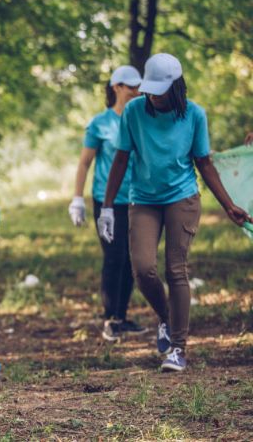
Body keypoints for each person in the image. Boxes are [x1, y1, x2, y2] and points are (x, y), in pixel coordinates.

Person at [97, 53, 251, 372]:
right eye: (149, 89)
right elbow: (121, 159)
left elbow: (204, 163)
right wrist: (108, 208)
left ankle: (178, 348)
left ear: (175, 87)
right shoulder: (134, 112)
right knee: (143, 269)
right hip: (144, 199)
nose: (153, 95)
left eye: (159, 90)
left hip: (182, 197)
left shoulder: (194, 115)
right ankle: (167, 319)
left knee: (176, 270)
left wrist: (229, 206)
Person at [69, 66, 147, 341]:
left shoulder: (141, 119)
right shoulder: (100, 124)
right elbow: (84, 163)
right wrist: (77, 198)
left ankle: (122, 317)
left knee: (132, 261)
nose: (137, 91)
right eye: (131, 86)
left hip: (138, 199)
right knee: (114, 258)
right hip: (108, 201)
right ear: (116, 87)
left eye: (139, 87)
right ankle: (109, 319)